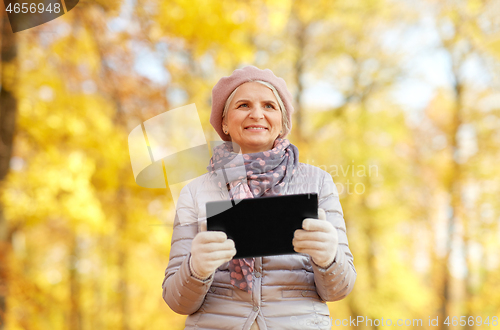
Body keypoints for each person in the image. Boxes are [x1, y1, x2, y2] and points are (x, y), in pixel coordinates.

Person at [162, 65, 356, 330]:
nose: (256, 114)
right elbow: (177, 302)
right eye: (243, 105)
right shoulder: (195, 192)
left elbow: (339, 290)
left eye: (269, 106)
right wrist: (195, 269)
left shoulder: (318, 183)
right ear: (224, 123)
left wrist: (329, 258)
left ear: (283, 123)